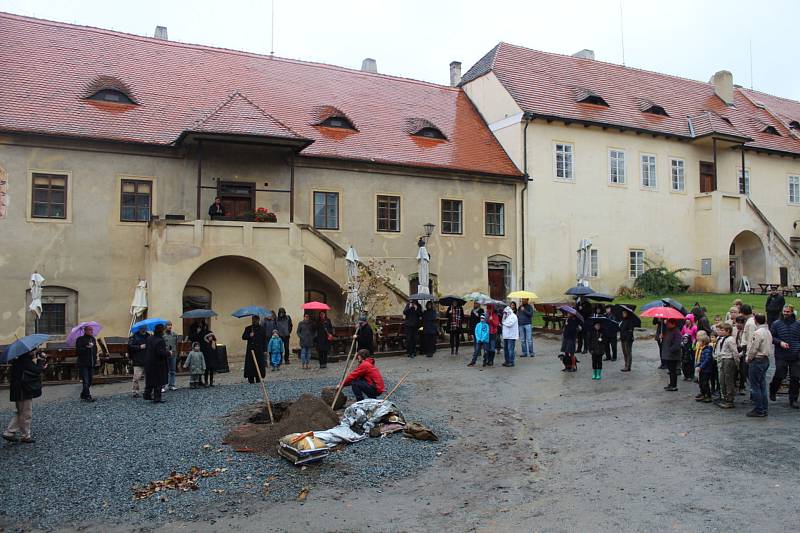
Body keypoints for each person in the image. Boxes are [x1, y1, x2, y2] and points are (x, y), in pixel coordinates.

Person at [3, 349, 46, 444]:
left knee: (21, 413)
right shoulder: (25, 361)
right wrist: (40, 361)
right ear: (29, 352)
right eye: (34, 351)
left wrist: (39, 363)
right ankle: (22, 435)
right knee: (26, 414)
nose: (35, 352)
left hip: (19, 391)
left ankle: (13, 433)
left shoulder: (19, 360)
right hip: (23, 391)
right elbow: (36, 370)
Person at [769, 305, 800, 409]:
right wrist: (780, 342)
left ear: (792, 312)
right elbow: (771, 337)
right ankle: (773, 390)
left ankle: (793, 399)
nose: (786, 313)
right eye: (784, 311)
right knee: (780, 375)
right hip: (781, 354)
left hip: (795, 355)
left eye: (788, 312)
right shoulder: (776, 324)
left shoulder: (798, 324)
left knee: (795, 378)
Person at [746, 314, 772, 417]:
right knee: (762, 385)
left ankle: (759, 409)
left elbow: (754, 348)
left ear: (756, 321)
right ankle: (764, 408)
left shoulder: (757, 333)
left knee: (755, 386)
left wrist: (749, 358)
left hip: (757, 360)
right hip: (765, 359)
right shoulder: (767, 331)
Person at [714, 322, 739, 409]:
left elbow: (734, 352)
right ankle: (725, 397)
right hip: (722, 359)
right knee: (722, 380)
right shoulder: (722, 339)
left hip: (728, 360)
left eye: (722, 330)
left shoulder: (730, 339)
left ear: (728, 331)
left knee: (728, 380)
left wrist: (737, 363)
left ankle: (729, 399)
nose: (720, 332)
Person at [144, 324, 170, 403]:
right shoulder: (160, 340)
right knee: (158, 381)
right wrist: (168, 353)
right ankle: (157, 398)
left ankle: (147, 394)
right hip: (158, 364)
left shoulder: (149, 338)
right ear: (161, 331)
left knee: (150, 380)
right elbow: (160, 353)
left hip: (149, 362)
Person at [75, 325, 98, 402]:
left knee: (90, 381)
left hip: (91, 363)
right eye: (90, 330)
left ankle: (83, 394)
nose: (92, 331)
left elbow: (95, 350)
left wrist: (95, 360)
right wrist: (86, 348)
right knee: (86, 380)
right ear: (85, 331)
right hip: (83, 363)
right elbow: (78, 351)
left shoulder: (93, 339)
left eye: (92, 330)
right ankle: (88, 396)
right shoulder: (80, 340)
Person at [242, 316, 267, 384]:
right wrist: (249, 335)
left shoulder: (262, 329)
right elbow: (243, 337)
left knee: (259, 365)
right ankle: (251, 379)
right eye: (254, 320)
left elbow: (264, 340)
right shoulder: (248, 328)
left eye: (256, 320)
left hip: (259, 350)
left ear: (258, 320)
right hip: (251, 351)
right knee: (251, 365)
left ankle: (258, 378)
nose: (255, 321)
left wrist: (265, 350)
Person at [128, 326, 149, 397]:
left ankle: (147, 390)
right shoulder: (134, 337)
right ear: (140, 328)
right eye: (143, 328)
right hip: (138, 359)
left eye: (145, 328)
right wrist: (139, 347)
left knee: (148, 377)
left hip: (147, 359)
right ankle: (135, 392)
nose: (145, 329)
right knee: (136, 377)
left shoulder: (148, 336)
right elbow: (130, 346)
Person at [661, 319, 682, 391]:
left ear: (673, 324)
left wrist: (670, 350)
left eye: (668, 323)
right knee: (670, 371)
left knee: (673, 371)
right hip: (668, 355)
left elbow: (677, 344)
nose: (667, 324)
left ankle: (674, 385)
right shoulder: (668, 330)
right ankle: (671, 384)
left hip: (673, 356)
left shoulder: (677, 332)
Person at [739, 304, 755, 395]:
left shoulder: (750, 323)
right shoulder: (749, 321)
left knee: (750, 375)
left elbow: (750, 340)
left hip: (748, 350)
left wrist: (748, 354)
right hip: (746, 349)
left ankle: (754, 396)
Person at [694, 331, 714, 403]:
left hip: (706, 370)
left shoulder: (707, 350)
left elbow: (706, 360)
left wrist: (700, 366)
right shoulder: (703, 349)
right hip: (702, 369)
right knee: (701, 382)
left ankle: (708, 396)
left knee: (705, 383)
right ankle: (703, 394)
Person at [680, 315, 698, 381]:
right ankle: (685, 374)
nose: (687, 320)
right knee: (684, 360)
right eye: (686, 319)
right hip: (685, 345)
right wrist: (682, 339)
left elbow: (697, 336)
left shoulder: (694, 327)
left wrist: (694, 341)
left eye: (689, 319)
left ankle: (690, 375)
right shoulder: (684, 327)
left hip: (691, 346)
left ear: (691, 320)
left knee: (690, 360)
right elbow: (681, 333)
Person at [163, 321, 179, 392]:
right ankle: (163, 386)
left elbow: (176, 344)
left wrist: (176, 353)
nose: (169, 326)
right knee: (164, 370)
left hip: (173, 354)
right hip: (165, 354)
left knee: (172, 370)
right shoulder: (162, 335)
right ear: (165, 326)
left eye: (170, 325)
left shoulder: (174, 335)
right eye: (168, 325)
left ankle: (172, 385)